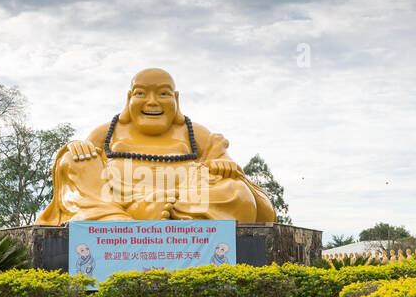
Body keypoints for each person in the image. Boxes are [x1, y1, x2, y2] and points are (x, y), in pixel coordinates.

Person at [37, 68, 276, 224]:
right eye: (141, 94)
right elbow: (82, 169)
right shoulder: (108, 130)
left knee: (237, 191)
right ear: (129, 98)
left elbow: (229, 167)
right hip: (117, 197)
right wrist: (77, 146)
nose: (152, 102)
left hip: (182, 198)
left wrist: (224, 165)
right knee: (72, 160)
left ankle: (161, 216)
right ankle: (120, 216)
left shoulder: (196, 133)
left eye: (163, 94)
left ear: (176, 99)